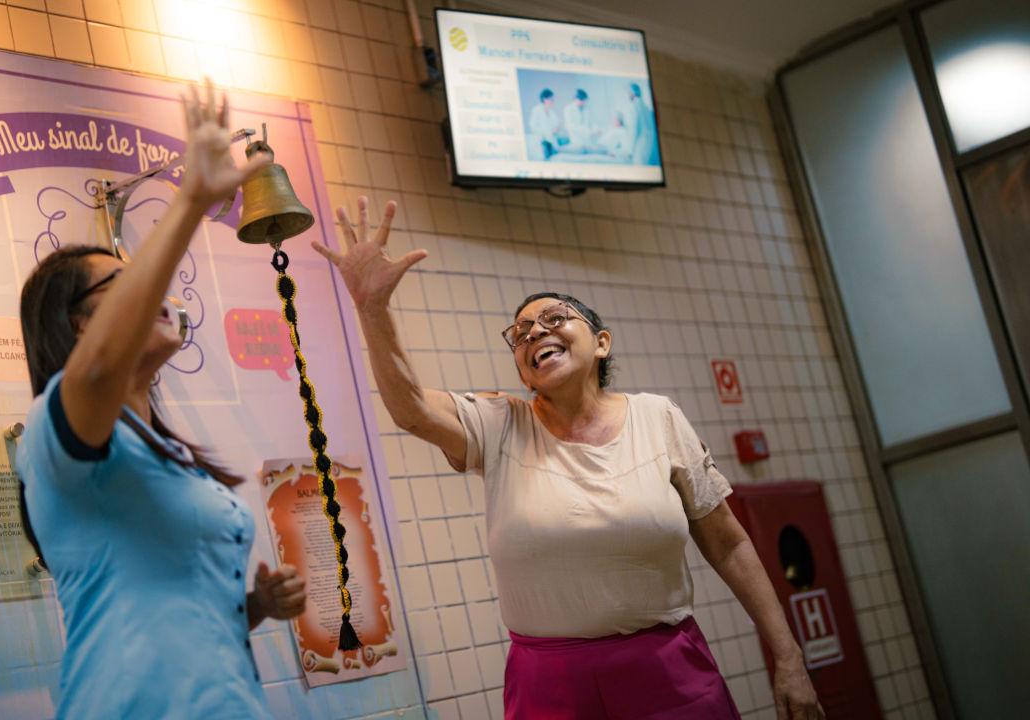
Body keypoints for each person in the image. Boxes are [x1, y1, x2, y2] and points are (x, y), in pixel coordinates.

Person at [313, 196, 825, 720]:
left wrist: (788, 657)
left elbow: (729, 543)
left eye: (556, 318)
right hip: (549, 686)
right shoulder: (500, 424)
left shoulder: (659, 418)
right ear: (523, 367)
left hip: (668, 670)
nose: (535, 331)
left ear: (601, 343)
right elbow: (413, 409)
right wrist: (372, 309)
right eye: (520, 333)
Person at [14, 80, 307, 719]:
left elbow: (169, 609)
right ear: (81, 327)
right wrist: (191, 202)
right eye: (126, 288)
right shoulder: (57, 428)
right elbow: (93, 379)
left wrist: (256, 606)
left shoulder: (165, 450)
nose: (158, 296)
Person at [628, 81, 660, 166]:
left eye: (628, 92)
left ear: (632, 93)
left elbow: (633, 130)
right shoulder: (646, 108)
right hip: (649, 146)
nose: (628, 94)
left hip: (639, 147)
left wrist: (630, 151)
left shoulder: (633, 106)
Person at [561, 88, 602, 154]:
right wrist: (587, 131)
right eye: (581, 100)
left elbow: (591, 122)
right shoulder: (569, 109)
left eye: (584, 101)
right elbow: (569, 125)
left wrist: (597, 129)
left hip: (588, 140)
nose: (583, 102)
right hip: (576, 139)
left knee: (590, 153)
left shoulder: (586, 109)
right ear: (575, 99)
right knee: (579, 152)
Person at [527, 88, 560, 160]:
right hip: (541, 141)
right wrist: (547, 133)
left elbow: (556, 125)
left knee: (553, 159)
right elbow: (533, 127)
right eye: (551, 99)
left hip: (551, 141)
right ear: (545, 99)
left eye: (553, 99)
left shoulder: (552, 112)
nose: (553, 101)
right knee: (544, 159)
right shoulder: (536, 110)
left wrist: (556, 129)